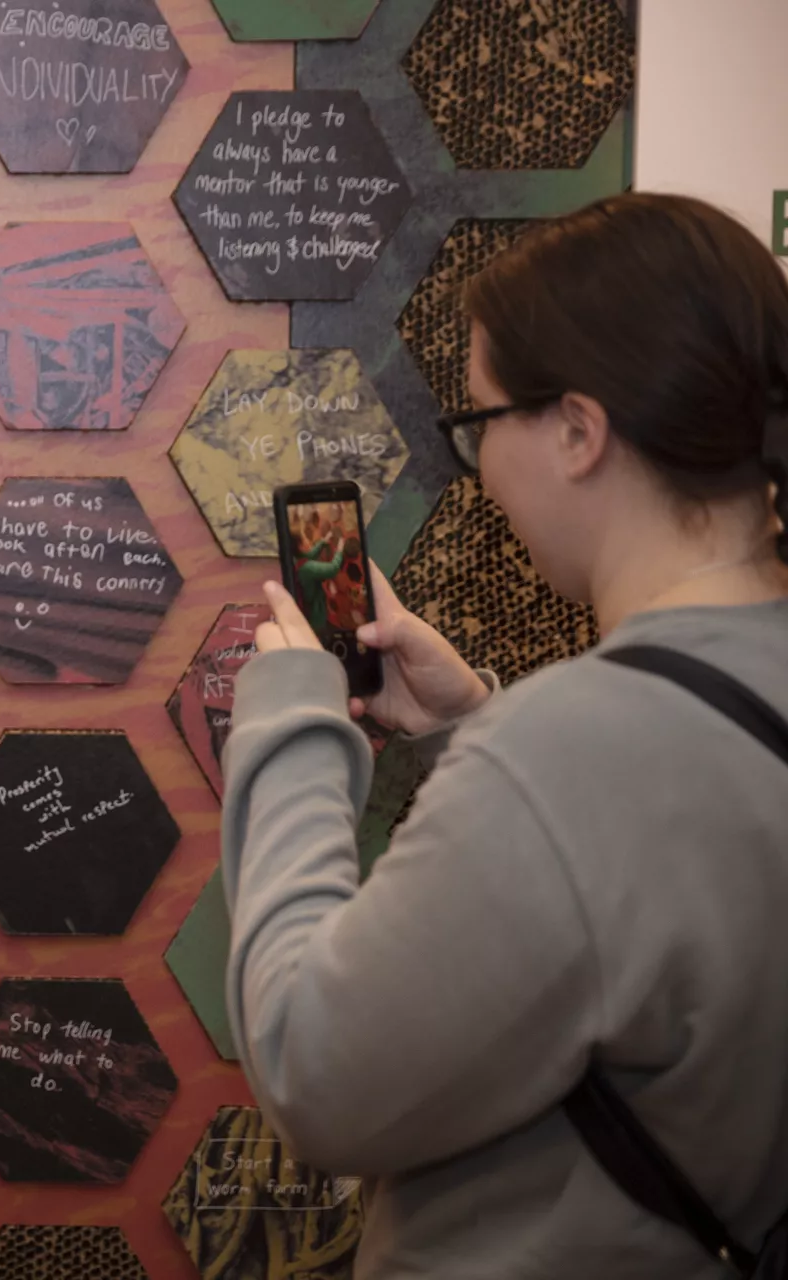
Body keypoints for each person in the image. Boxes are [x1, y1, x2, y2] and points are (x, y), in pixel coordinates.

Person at [221, 191, 788, 1278]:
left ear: (578, 430)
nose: (479, 471)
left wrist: (293, 721)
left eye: (480, 422)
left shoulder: (569, 754)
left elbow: (312, 1071)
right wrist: (472, 729)